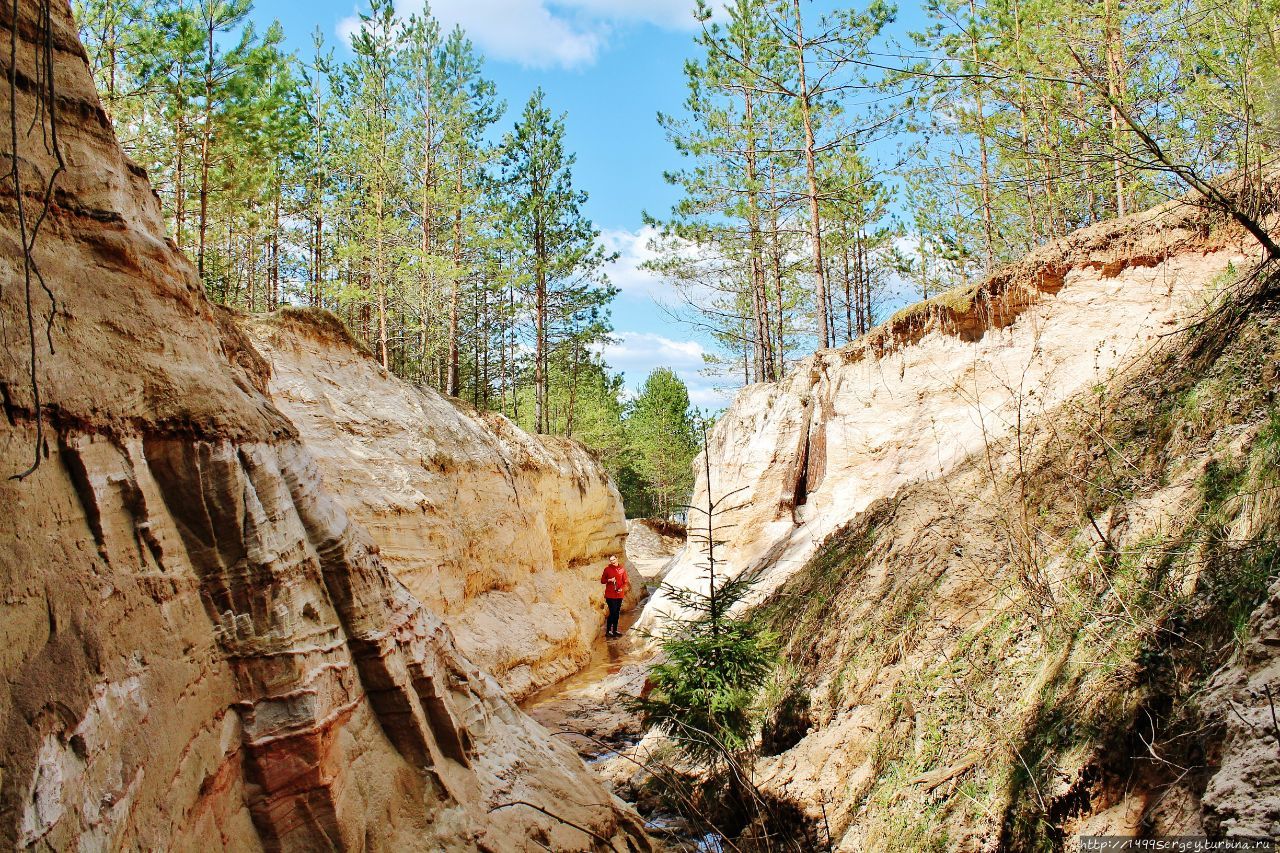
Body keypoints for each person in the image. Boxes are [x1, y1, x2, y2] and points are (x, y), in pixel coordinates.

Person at [600, 555, 629, 638]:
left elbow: (625, 581)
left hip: (619, 594)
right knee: (612, 612)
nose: (612, 561)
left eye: (614, 559)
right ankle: (608, 631)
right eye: (611, 560)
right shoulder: (607, 569)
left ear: (617, 559)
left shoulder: (622, 569)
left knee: (616, 613)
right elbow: (602, 581)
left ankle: (615, 630)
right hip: (610, 595)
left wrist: (621, 588)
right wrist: (609, 580)